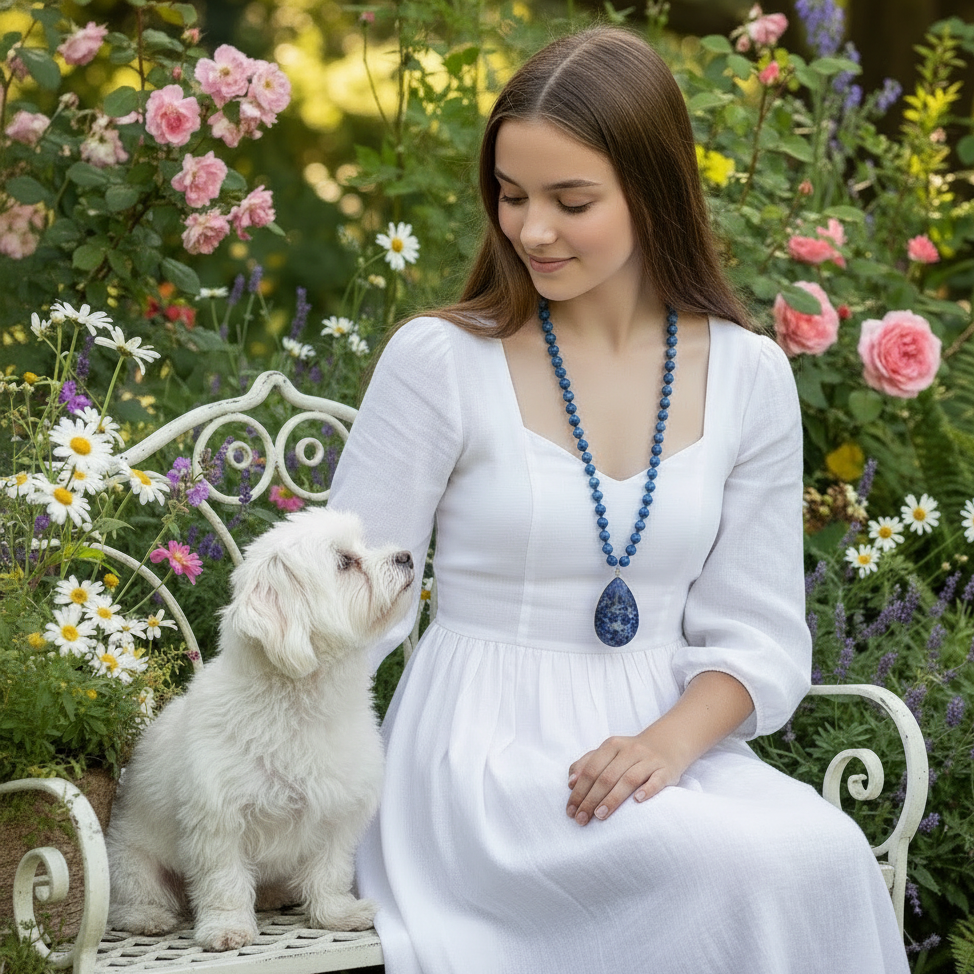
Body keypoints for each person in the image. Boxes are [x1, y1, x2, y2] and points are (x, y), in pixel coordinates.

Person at [328, 25, 909, 974]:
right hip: (482, 759)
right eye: (511, 196)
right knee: (719, 867)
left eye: (571, 200)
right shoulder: (442, 360)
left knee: (822, 853)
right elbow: (338, 596)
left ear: (654, 189)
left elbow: (758, 636)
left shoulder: (750, 375)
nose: (531, 230)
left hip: (669, 750)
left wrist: (668, 745)